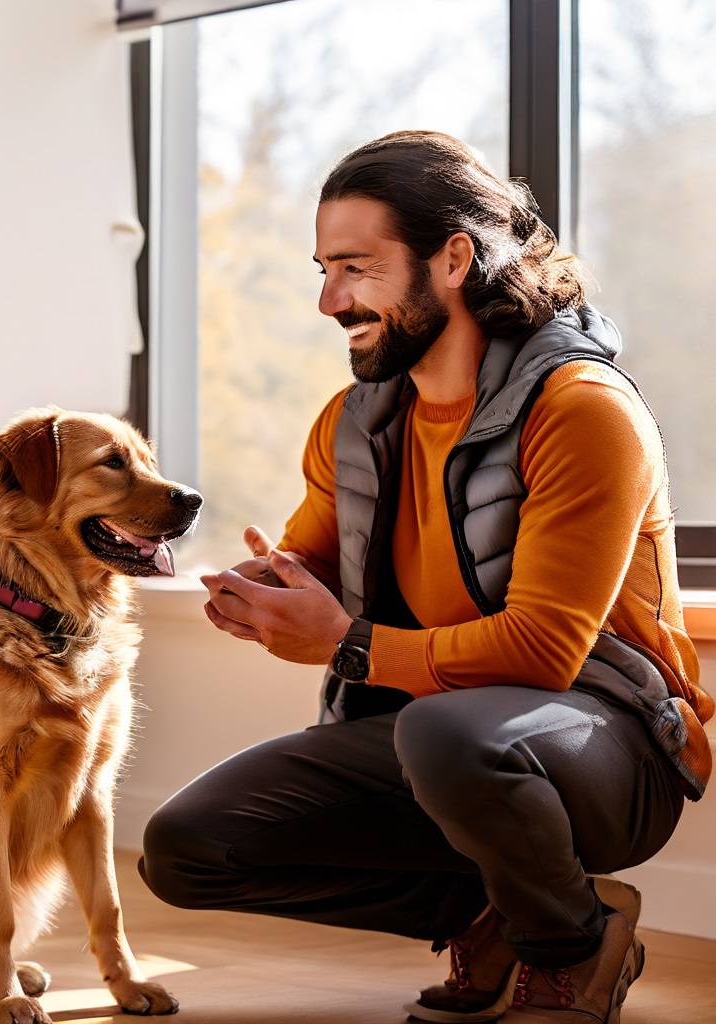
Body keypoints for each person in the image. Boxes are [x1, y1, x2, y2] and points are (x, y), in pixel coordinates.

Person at [138, 130, 713, 1023]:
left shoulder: (583, 412)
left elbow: (545, 652)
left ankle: (568, 947)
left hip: (609, 747)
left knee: (446, 734)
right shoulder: (354, 421)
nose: (331, 299)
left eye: (358, 268)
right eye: (324, 269)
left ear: (453, 259)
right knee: (187, 848)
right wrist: (266, 588)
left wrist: (345, 644)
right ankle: (507, 912)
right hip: (434, 742)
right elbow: (318, 560)